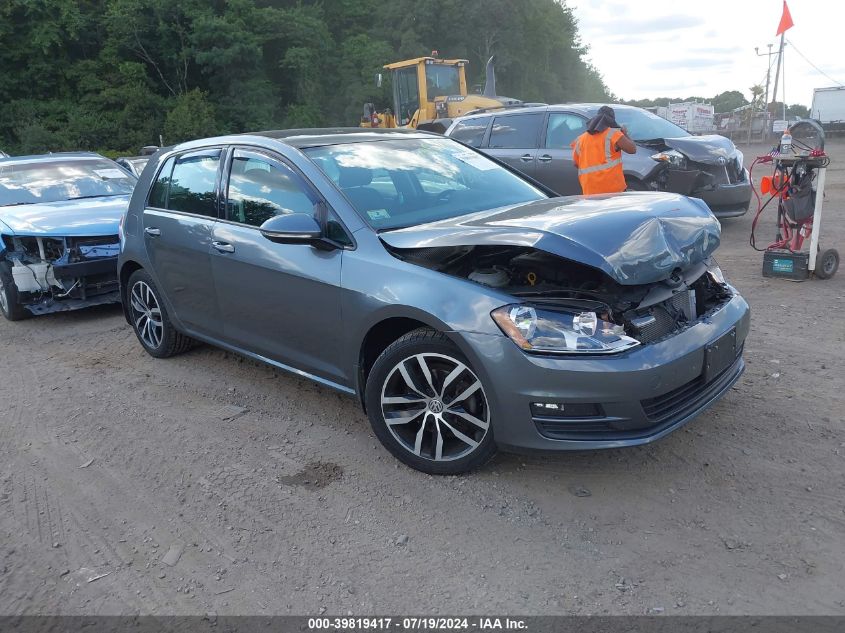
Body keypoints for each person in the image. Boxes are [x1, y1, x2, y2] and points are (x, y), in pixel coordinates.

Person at [571, 106, 637, 195]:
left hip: (589, 191)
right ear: (611, 120)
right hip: (612, 191)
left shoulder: (580, 139)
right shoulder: (613, 134)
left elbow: (575, 163)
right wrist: (625, 134)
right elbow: (632, 149)